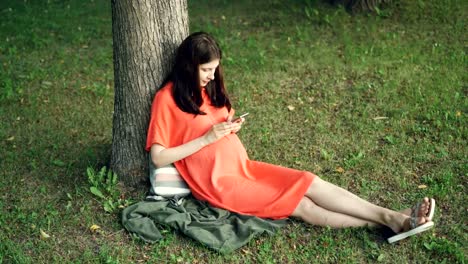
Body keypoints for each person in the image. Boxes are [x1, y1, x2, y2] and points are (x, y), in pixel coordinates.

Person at [146, 32, 436, 243]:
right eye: (205, 69)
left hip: (245, 169)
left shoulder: (206, 91)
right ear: (188, 66)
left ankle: (392, 219)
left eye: (214, 69)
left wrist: (230, 126)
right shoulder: (166, 99)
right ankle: (391, 219)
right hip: (220, 184)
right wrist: (208, 139)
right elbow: (158, 156)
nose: (211, 75)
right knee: (300, 205)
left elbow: (221, 119)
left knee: (307, 180)